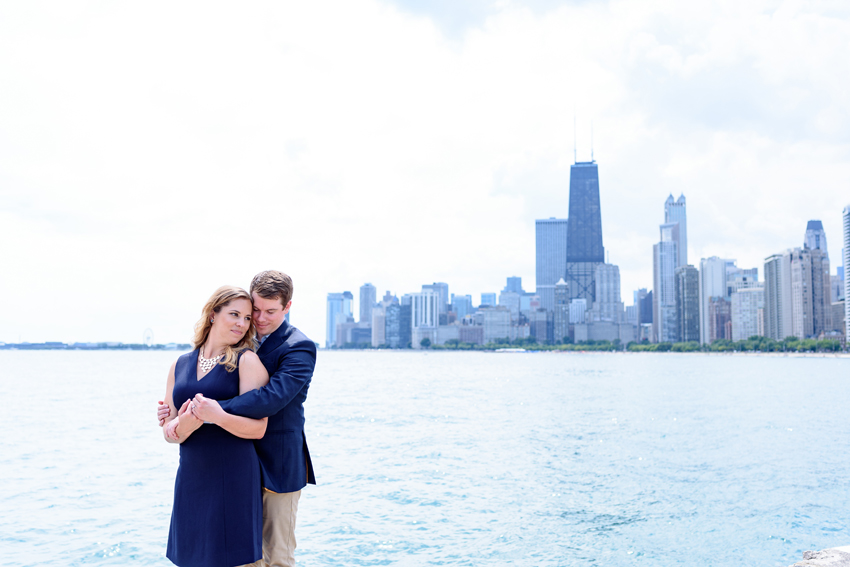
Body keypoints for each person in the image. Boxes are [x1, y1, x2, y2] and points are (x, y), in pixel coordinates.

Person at [159, 270, 317, 567]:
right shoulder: (236, 340)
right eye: (253, 310)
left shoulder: (299, 348)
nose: (257, 319)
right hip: (228, 467)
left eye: (270, 311)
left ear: (287, 307)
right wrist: (175, 415)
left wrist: (206, 410)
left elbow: (270, 399)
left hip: (276, 464)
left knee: (276, 557)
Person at [162, 285, 270, 567]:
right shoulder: (179, 364)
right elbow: (170, 433)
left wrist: (215, 415)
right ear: (213, 314)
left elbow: (259, 428)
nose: (241, 323)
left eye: (247, 318)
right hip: (191, 477)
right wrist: (185, 424)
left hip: (232, 477)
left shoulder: (247, 361)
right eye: (234, 314)